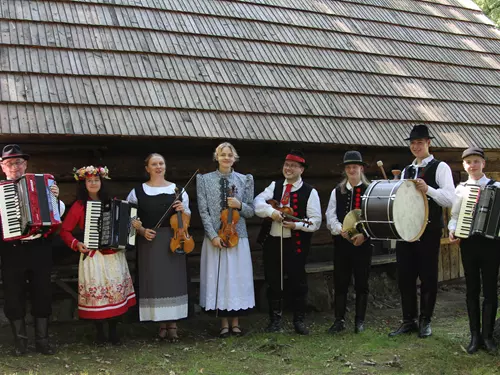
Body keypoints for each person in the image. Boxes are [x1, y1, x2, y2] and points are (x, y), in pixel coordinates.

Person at [389, 125, 455, 338]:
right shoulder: (407, 170)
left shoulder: (440, 167)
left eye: (420, 142)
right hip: (405, 230)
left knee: (428, 276)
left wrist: (429, 189)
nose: (416, 146)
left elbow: (449, 199)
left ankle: (426, 320)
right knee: (405, 277)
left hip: (429, 230)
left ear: (428, 143)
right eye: (413, 143)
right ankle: (409, 320)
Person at [0, 144, 65, 356]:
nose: (14, 167)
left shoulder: (42, 184)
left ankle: (42, 341)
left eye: (18, 162)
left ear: (25, 164)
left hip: (39, 247)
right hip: (12, 250)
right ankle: (20, 343)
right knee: (13, 293)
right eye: (9, 163)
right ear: (2, 167)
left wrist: (55, 197)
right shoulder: (1, 191)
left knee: (42, 291)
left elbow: (57, 215)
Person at [59, 166, 136, 346]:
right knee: (98, 296)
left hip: (113, 255)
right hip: (93, 256)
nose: (93, 183)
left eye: (96, 180)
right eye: (89, 181)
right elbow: (65, 231)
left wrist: (131, 228)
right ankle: (100, 332)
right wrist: (76, 244)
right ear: (84, 184)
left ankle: (114, 331)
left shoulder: (114, 202)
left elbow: (126, 223)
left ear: (102, 182)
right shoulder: (79, 206)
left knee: (114, 294)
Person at [254, 150, 321, 335]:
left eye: (293, 166)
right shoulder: (274, 186)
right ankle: (275, 320)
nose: (288, 169)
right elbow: (258, 202)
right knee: (273, 281)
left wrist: (297, 225)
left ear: (301, 169)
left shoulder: (310, 191)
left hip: (295, 244)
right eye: (286, 165)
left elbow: (315, 221)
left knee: (297, 282)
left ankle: (298, 321)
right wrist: (272, 212)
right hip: (273, 241)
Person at [127, 153, 190, 342]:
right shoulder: (137, 191)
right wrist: (142, 230)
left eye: (161, 163)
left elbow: (187, 218)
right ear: (147, 168)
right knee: (156, 282)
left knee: (173, 281)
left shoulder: (178, 190)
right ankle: (161, 325)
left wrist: (182, 210)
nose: (158, 167)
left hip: (174, 240)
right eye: (154, 164)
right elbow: (130, 219)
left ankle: (173, 325)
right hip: (150, 242)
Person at [196, 142, 255, 338]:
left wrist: (239, 205)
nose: (226, 158)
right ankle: (223, 323)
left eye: (230, 155)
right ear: (217, 157)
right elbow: (203, 211)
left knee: (236, 280)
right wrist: (212, 235)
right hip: (215, 237)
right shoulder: (204, 180)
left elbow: (251, 211)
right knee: (220, 279)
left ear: (234, 158)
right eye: (222, 154)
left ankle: (236, 323)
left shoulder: (245, 179)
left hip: (238, 236)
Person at [449, 147, 500, 354]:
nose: (472, 165)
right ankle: (474, 337)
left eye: (476, 161)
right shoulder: (460, 189)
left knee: (490, 289)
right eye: (468, 161)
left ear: (484, 164)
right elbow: (454, 216)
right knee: (471, 289)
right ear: (464, 165)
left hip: (492, 244)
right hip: (468, 243)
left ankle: (488, 337)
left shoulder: (497, 186)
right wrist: (452, 230)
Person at [325, 151, 372, 334]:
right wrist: (340, 230)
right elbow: (330, 215)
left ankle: (359, 321)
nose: (352, 170)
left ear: (361, 168)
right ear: (345, 170)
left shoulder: (370, 189)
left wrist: (364, 235)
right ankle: (339, 320)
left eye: (355, 166)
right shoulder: (337, 191)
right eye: (348, 167)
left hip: (363, 243)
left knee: (362, 283)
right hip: (342, 244)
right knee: (341, 282)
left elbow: (375, 218)